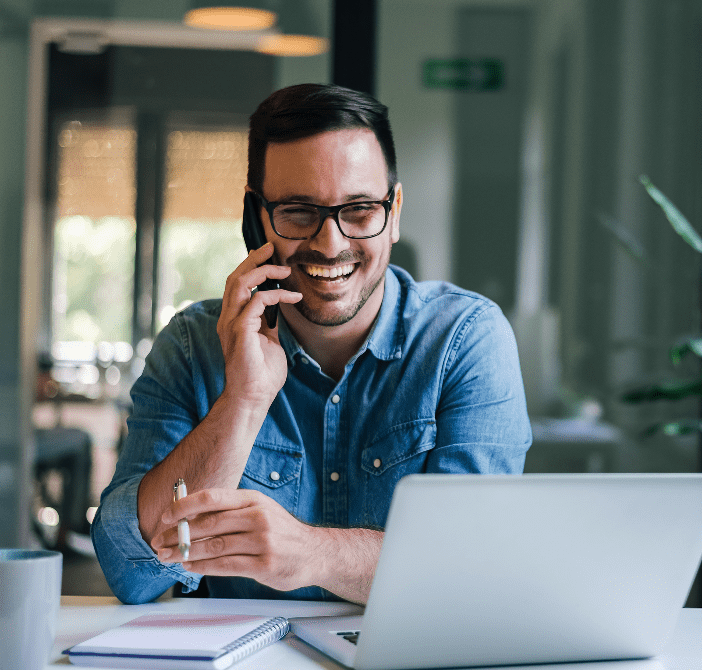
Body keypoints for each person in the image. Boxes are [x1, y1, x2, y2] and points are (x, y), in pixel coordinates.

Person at [92, 84, 531, 605]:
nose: (330, 243)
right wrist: (243, 402)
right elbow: (130, 574)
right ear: (258, 218)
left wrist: (311, 553)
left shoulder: (465, 340)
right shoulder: (192, 345)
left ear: (394, 211)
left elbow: (474, 568)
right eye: (299, 212)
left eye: (360, 210)